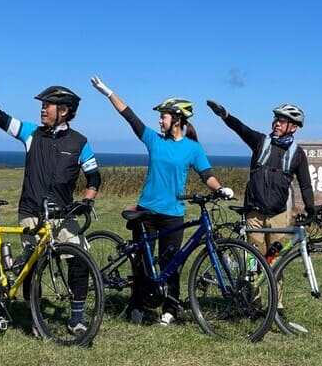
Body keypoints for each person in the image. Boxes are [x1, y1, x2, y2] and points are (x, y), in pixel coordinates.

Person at [0, 76, 101, 334]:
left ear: (64, 111)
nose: (42, 108)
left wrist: (87, 200)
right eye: (43, 104)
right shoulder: (31, 133)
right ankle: (35, 319)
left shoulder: (80, 142)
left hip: (62, 214)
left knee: (80, 261)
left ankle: (75, 319)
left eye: (48, 105)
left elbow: (94, 176)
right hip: (32, 213)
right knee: (32, 269)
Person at [91, 75, 233, 326]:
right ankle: (136, 305)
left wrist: (221, 188)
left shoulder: (192, 148)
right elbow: (130, 116)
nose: (160, 120)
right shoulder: (154, 140)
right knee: (143, 264)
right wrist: (108, 92)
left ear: (177, 119)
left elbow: (206, 175)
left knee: (172, 263)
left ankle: (170, 309)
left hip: (172, 213)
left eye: (164, 116)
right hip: (146, 211)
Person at [207, 100, 315, 315]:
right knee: (252, 262)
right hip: (254, 214)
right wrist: (225, 115)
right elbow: (241, 129)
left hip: (278, 216)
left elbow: (305, 184)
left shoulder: (298, 154)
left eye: (282, 121)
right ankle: (253, 304)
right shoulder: (260, 142)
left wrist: (311, 208)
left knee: (275, 261)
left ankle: (277, 305)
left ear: (293, 127)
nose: (276, 123)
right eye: (276, 119)